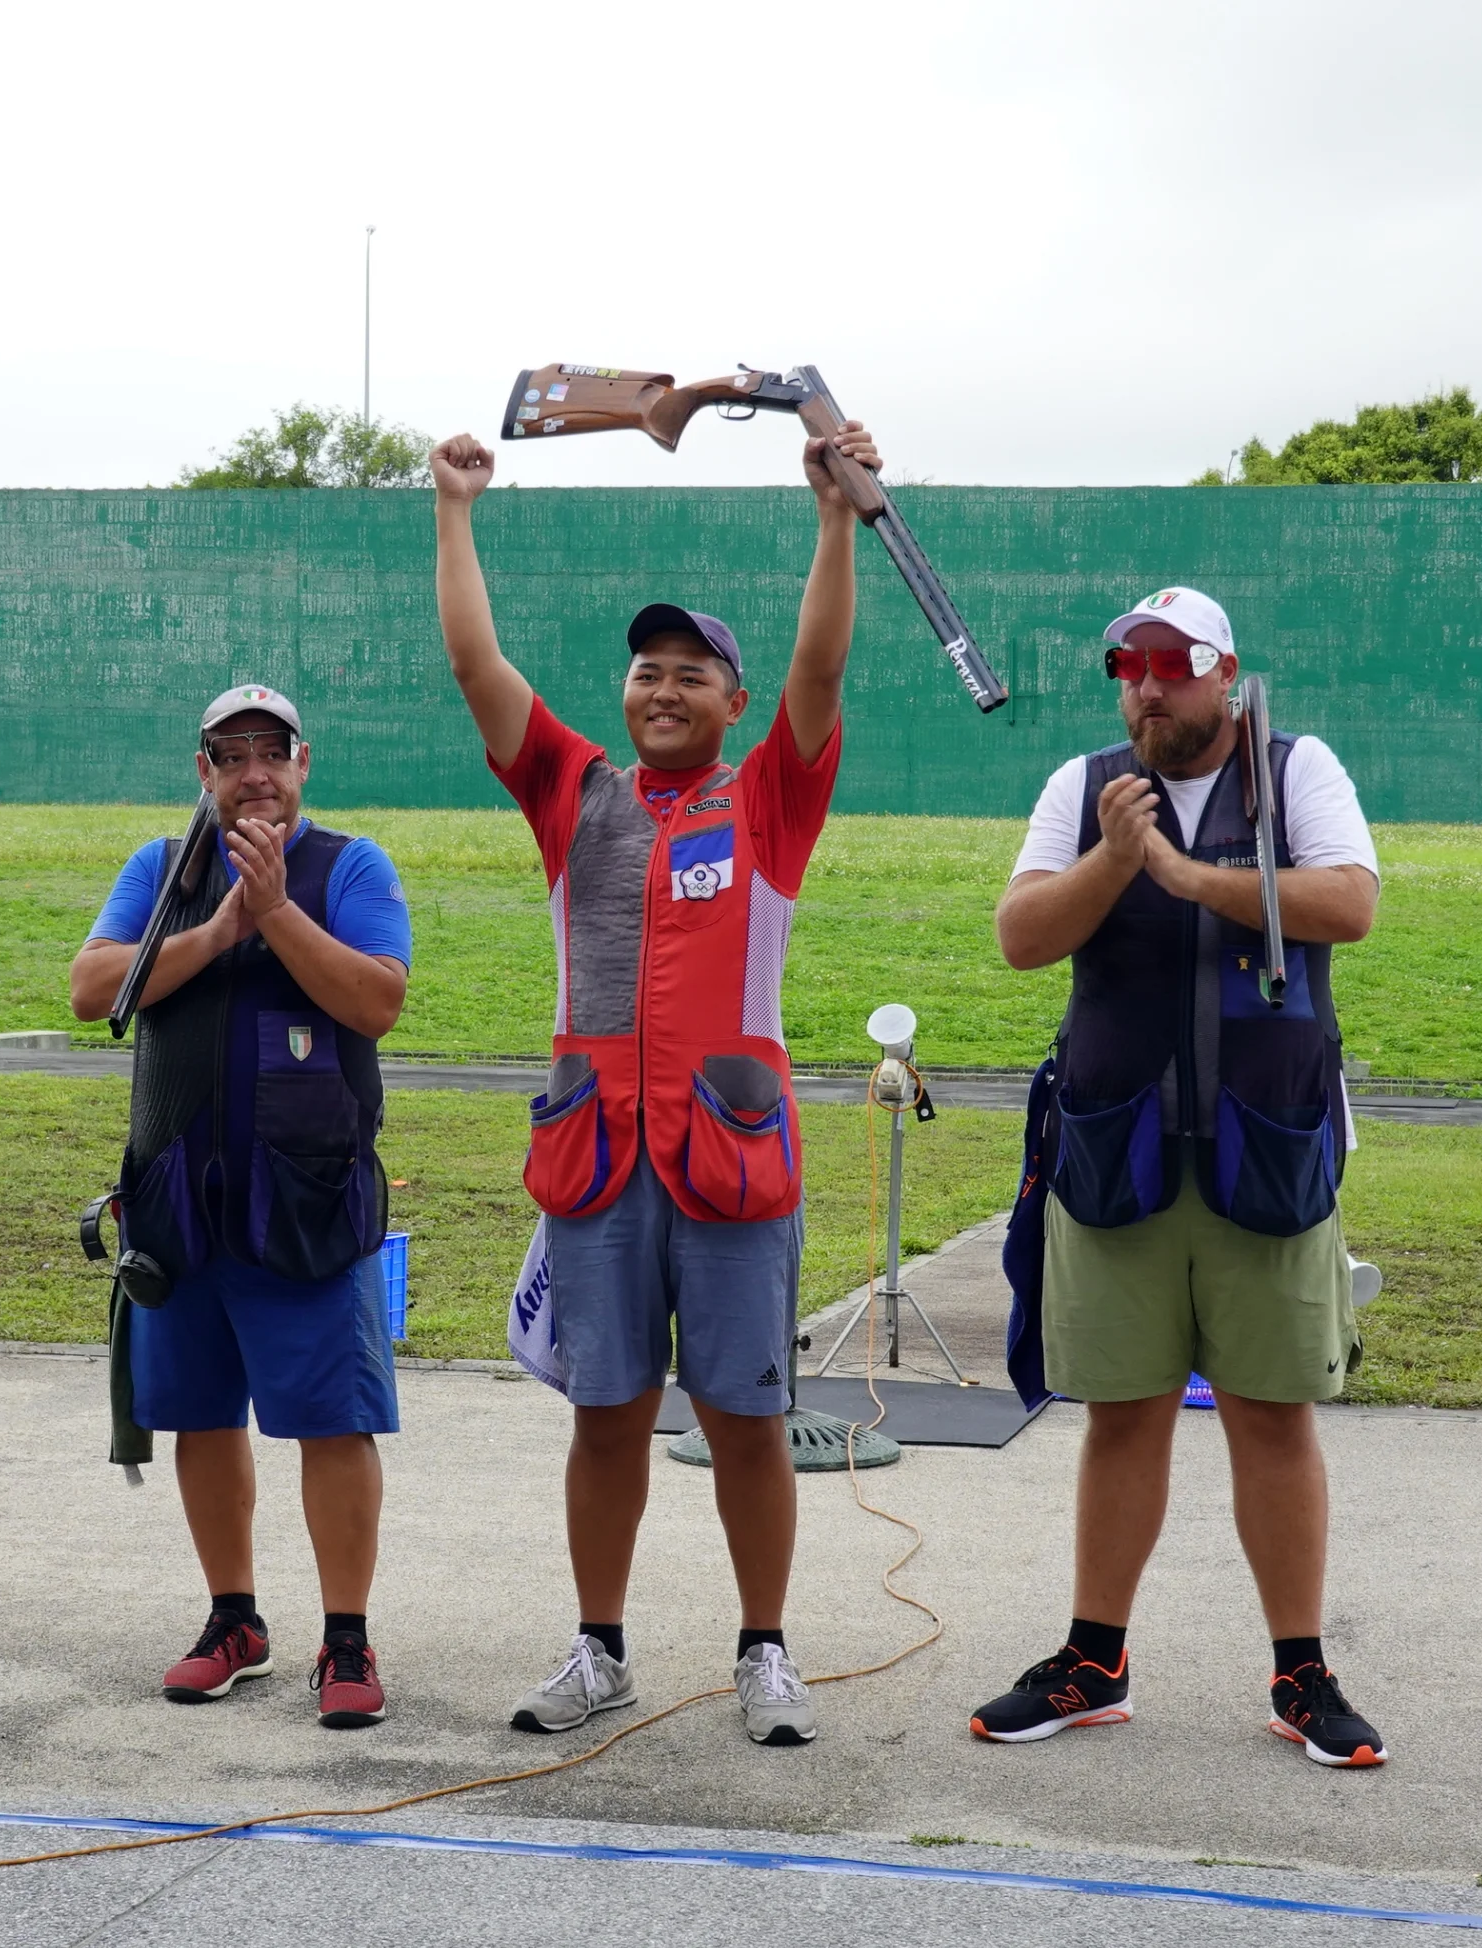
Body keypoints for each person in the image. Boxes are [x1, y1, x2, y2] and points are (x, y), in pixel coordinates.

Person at [428, 415, 881, 1747]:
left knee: (747, 1420)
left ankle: (764, 1651)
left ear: (733, 703)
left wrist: (833, 520)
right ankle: (601, 1649)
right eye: (646, 670)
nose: (664, 687)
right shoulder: (574, 794)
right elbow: (475, 661)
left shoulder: (770, 802)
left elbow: (820, 663)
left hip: (731, 1161)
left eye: (692, 673)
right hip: (598, 1164)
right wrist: (456, 510)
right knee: (607, 1419)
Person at [974, 587, 1388, 1768]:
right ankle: (1091, 1659)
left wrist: (1192, 876)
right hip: (1118, 1150)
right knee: (1120, 1414)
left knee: (1269, 1415)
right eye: (1126, 665)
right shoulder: (1083, 782)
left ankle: (1299, 1670)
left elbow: (1348, 902)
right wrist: (1116, 860)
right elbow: (1019, 933)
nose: (1144, 686)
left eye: (1167, 663)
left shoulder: (1296, 770)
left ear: (1223, 672)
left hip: (1266, 1144)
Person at [69, 684, 411, 1730]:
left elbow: (375, 998)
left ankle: (345, 1638)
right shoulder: (161, 869)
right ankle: (234, 1621)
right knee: (198, 1416)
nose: (253, 770)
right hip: (180, 1199)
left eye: (272, 750)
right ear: (202, 770)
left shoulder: (350, 864)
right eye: (231, 753)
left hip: (305, 1203)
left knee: (333, 1420)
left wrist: (274, 914)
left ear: (304, 760)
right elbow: (93, 988)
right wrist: (218, 929)